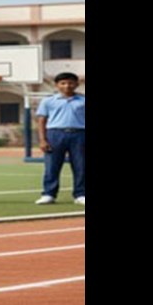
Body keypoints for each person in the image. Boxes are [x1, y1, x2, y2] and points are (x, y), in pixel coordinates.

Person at [34, 72, 85, 205]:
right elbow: (41, 120)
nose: (67, 86)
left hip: (79, 134)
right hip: (55, 134)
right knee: (52, 166)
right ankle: (49, 194)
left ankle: (80, 194)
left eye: (70, 83)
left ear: (76, 84)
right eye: (63, 83)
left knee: (81, 166)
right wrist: (42, 139)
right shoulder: (48, 101)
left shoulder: (83, 100)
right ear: (57, 85)